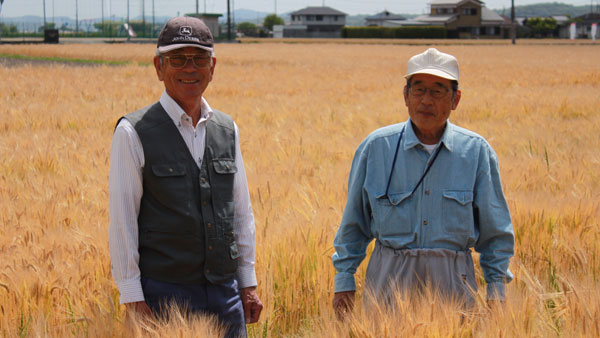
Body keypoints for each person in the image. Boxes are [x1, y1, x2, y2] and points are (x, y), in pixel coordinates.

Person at [332, 48, 514, 318]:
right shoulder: (376, 148)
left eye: (437, 91)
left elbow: (495, 232)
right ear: (405, 96)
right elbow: (353, 223)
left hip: (454, 286)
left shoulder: (476, 152)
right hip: (387, 286)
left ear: (456, 99)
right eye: (419, 90)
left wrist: (496, 291)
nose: (426, 101)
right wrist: (344, 281)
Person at [108, 16, 262, 337]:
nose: (189, 68)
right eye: (177, 59)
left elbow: (241, 213)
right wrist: (133, 298)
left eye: (200, 58)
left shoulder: (227, 129)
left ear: (213, 66)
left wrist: (247, 283)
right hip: (165, 296)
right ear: (159, 66)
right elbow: (122, 221)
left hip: (225, 293)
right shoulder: (132, 132)